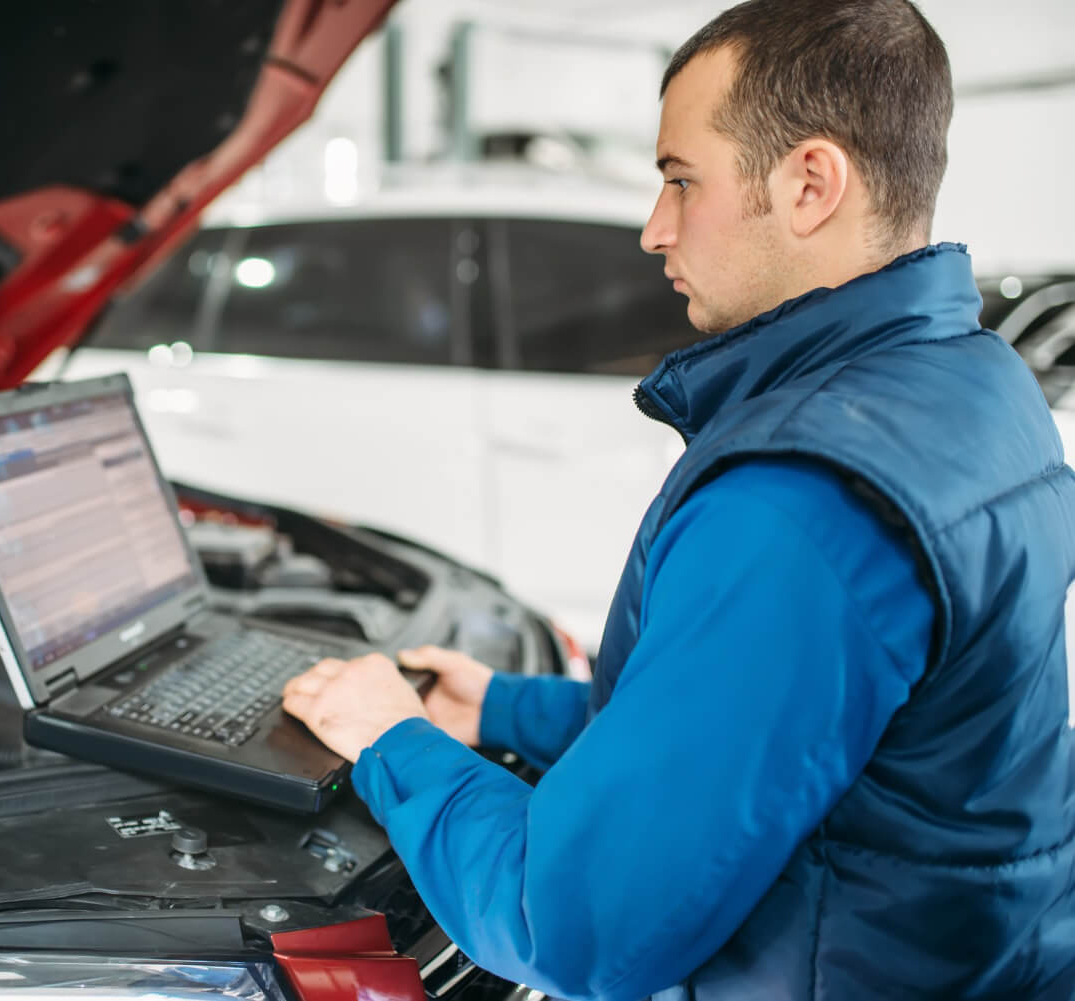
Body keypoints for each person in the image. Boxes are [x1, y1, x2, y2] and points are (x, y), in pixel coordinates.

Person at [281, 1, 1075, 998]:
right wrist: (502, 703)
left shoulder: (802, 501)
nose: (656, 231)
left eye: (679, 180)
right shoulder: (975, 382)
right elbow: (786, 732)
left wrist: (391, 739)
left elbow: (574, 926)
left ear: (810, 183)